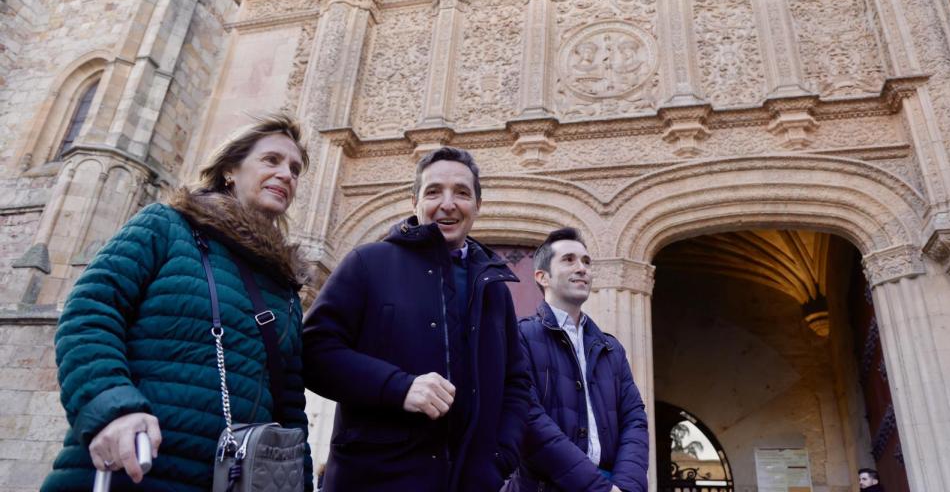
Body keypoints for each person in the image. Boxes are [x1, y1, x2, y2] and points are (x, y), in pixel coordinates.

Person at [41, 114, 313, 491]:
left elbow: (290, 406)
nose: (286, 175)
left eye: (295, 169)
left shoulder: (285, 285)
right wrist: (112, 407)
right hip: (134, 464)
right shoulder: (167, 226)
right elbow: (90, 313)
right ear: (230, 170)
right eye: (272, 160)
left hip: (228, 480)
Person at [302, 147, 532, 491]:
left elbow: (516, 381)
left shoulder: (493, 287)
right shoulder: (369, 262)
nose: (448, 204)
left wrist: (500, 457)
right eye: (434, 191)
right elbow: (314, 352)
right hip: (375, 480)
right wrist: (399, 387)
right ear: (415, 202)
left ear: (478, 206)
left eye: (462, 193)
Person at [508, 228, 649, 492]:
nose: (582, 268)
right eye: (569, 260)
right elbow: (529, 420)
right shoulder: (520, 337)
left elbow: (634, 420)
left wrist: (627, 487)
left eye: (586, 261)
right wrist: (596, 487)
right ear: (542, 277)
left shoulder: (611, 349)